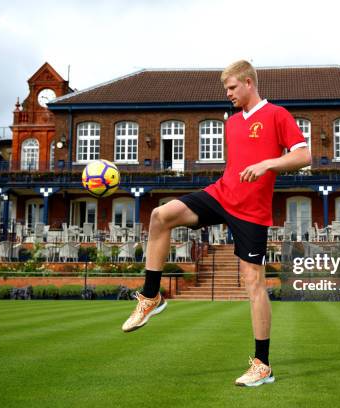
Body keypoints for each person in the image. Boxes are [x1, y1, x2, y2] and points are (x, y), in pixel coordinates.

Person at [122, 60, 311, 387]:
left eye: (232, 88)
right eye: (226, 89)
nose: (228, 94)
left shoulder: (277, 115)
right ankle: (151, 296)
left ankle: (262, 365)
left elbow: (304, 155)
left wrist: (268, 164)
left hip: (252, 211)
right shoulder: (232, 122)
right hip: (222, 194)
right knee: (160, 215)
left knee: (253, 283)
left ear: (249, 83)